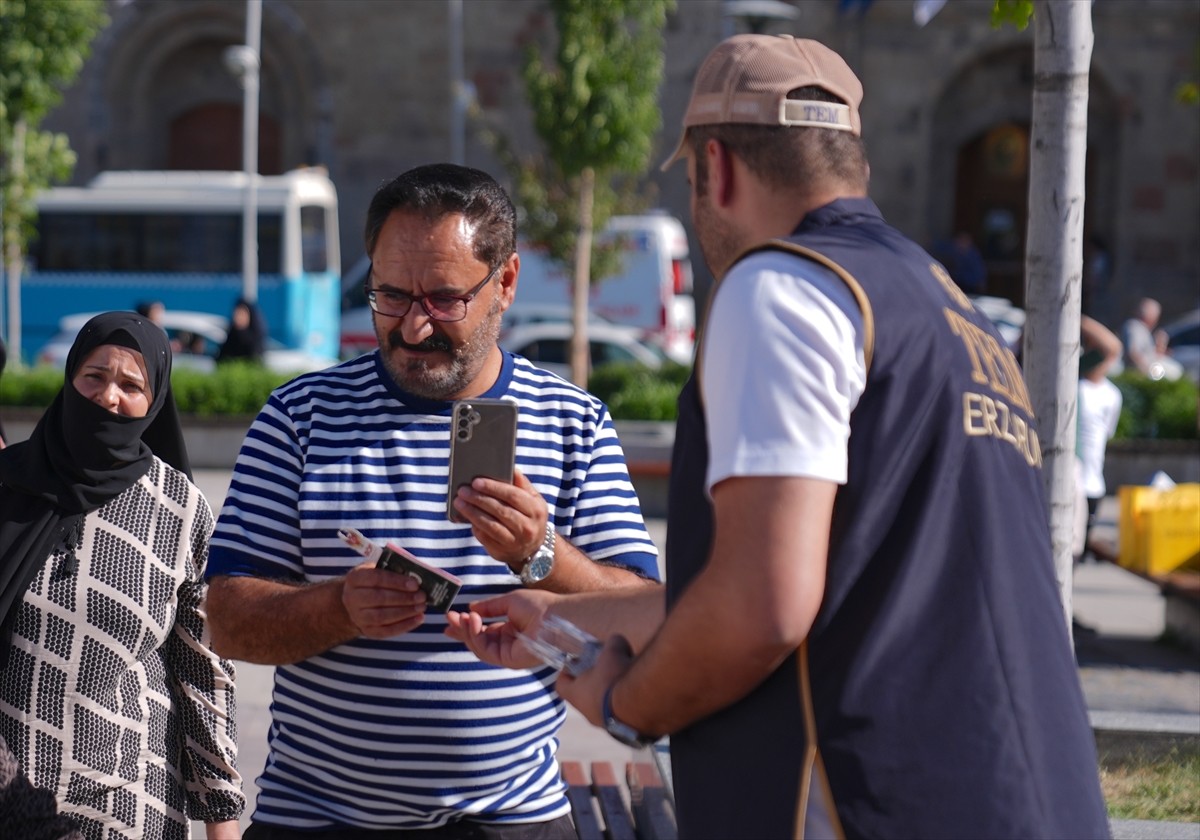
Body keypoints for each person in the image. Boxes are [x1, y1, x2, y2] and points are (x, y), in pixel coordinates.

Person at [447, 34, 1110, 838]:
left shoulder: (781, 286)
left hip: (868, 801)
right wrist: (568, 624)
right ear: (854, 165)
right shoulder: (948, 309)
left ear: (715, 168)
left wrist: (625, 703)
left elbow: (763, 605)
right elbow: (819, 590)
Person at [203, 163, 660, 837]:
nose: (415, 328)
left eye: (444, 300)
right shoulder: (299, 417)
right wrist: (339, 607)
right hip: (319, 820)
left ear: (505, 282)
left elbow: (644, 615)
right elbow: (225, 621)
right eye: (391, 296)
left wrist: (542, 556)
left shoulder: (572, 423)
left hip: (512, 820)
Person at [0, 311, 244, 839]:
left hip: (129, 806)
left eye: (131, 386)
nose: (108, 397)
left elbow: (203, 675)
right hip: (10, 800)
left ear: (154, 401)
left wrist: (222, 824)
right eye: (94, 376)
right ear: (70, 378)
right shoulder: (9, 486)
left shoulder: (179, 509)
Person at [1077, 316, 1124, 564]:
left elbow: (1113, 349)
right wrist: (1073, 317)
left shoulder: (1112, 395)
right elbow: (1112, 347)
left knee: (1077, 555)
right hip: (1067, 481)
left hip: (1093, 484)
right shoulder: (1071, 383)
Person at [215, 297, 266, 364]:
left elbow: (255, 357)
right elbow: (221, 358)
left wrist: (242, 332)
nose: (239, 317)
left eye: (242, 314)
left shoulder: (255, 337)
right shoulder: (231, 335)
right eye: (237, 313)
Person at [1121, 297, 1162, 376]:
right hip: (1137, 373)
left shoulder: (1143, 329)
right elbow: (1133, 353)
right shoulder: (1134, 327)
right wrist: (1149, 372)